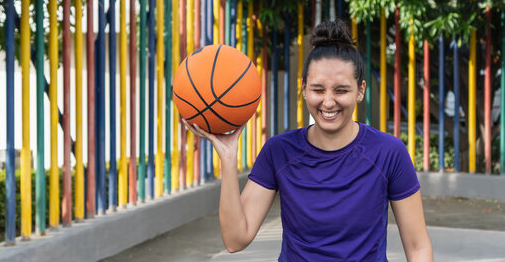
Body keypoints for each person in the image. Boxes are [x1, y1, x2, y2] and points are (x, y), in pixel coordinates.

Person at [183, 19, 433, 261]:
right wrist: (227, 159)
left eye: (341, 90)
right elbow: (235, 240)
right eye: (318, 89)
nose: (328, 101)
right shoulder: (279, 151)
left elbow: (418, 247)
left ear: (361, 91)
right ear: (303, 88)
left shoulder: (388, 153)